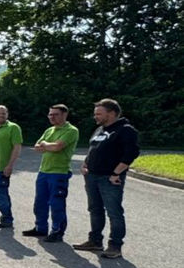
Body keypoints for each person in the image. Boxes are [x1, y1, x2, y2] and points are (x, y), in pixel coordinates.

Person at [73, 99, 140, 259]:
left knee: (114, 212)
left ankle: (115, 246)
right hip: (92, 176)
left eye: (98, 113)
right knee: (95, 210)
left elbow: (131, 153)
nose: (95, 116)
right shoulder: (99, 130)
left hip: (109, 178)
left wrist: (116, 173)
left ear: (111, 113)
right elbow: (92, 150)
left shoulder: (125, 130)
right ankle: (95, 241)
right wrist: (84, 165)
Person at [22, 105, 79, 245]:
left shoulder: (71, 130)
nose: (52, 117)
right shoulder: (49, 130)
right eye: (50, 115)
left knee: (56, 204)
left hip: (59, 172)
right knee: (40, 202)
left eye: (55, 114)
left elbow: (57, 147)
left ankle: (57, 231)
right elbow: (36, 147)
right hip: (44, 171)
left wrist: (46, 144)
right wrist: (48, 146)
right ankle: (41, 228)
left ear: (65, 114)